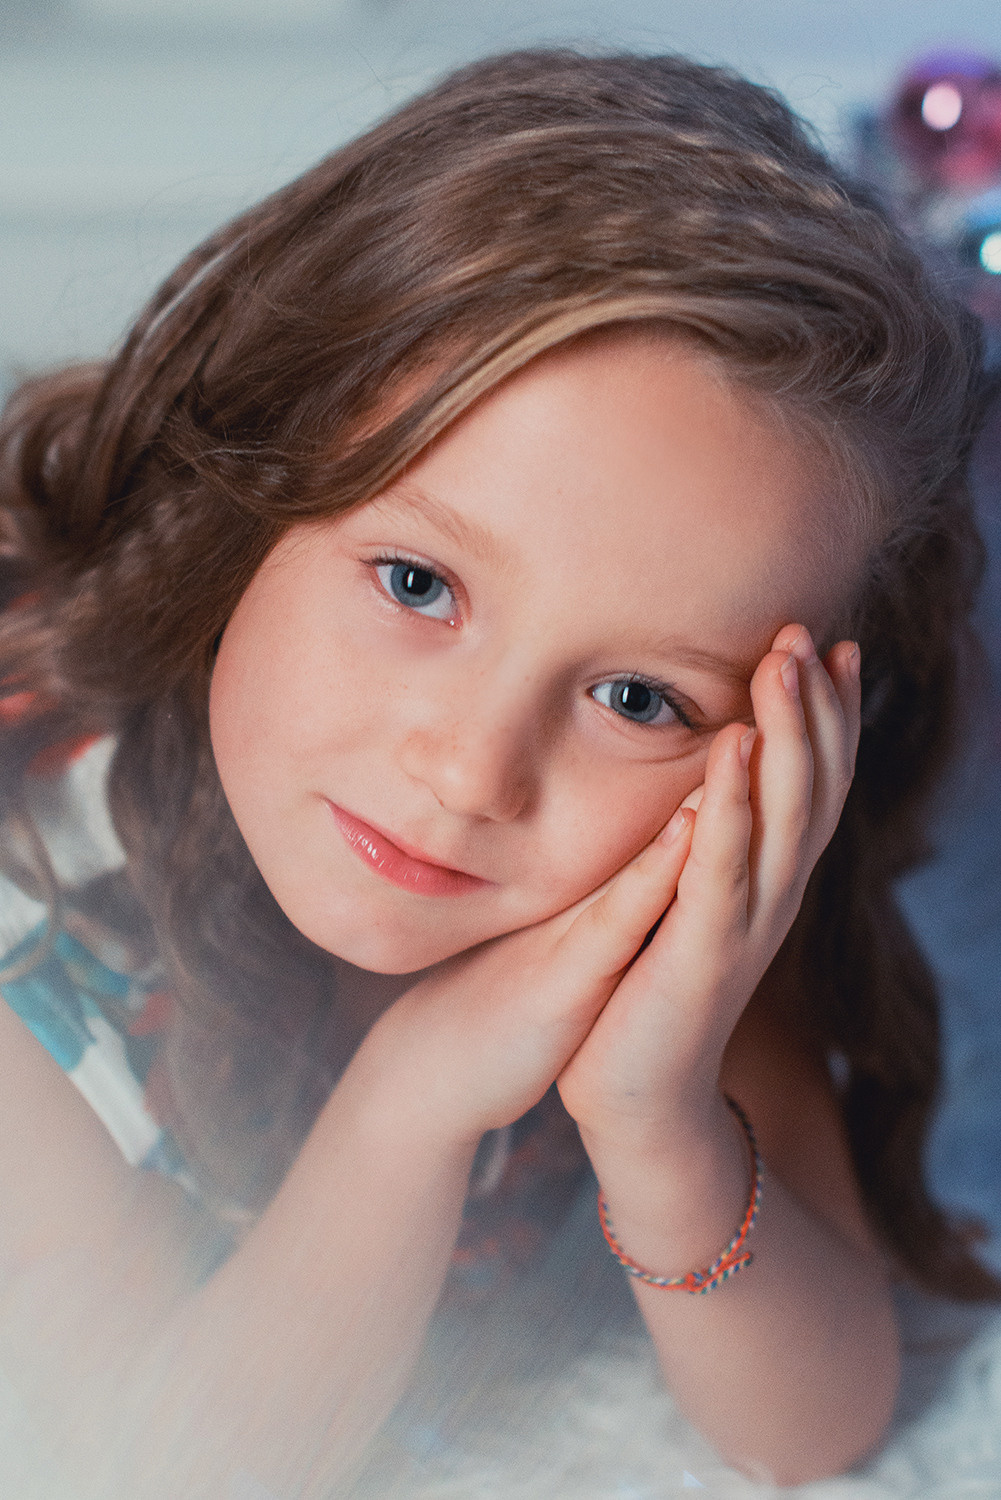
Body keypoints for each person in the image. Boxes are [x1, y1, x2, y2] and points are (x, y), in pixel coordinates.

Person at [0, 47, 997, 1499]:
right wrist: (413, 1096)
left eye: (635, 695)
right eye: (415, 582)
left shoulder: (650, 891)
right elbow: (150, 1468)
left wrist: (660, 1121)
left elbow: (809, 1430)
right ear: (248, 482)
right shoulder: (34, 890)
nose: (470, 770)